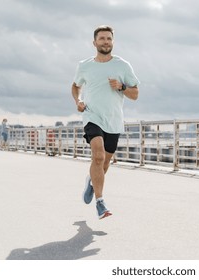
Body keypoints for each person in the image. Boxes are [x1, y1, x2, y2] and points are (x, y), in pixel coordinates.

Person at [71, 25, 140, 219]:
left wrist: (121, 86)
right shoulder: (84, 65)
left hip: (113, 120)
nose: (105, 42)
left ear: (113, 42)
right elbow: (75, 86)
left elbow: (135, 94)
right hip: (92, 116)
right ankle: (100, 202)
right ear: (94, 43)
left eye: (109, 39)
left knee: (104, 163)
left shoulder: (123, 65)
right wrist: (78, 101)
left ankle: (92, 182)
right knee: (98, 156)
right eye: (102, 39)